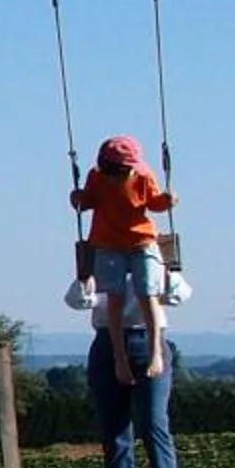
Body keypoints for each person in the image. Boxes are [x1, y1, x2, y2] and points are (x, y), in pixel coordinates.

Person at [72, 135, 176, 385]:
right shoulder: (97, 176)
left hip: (141, 240)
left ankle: (155, 353)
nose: (114, 176)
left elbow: (154, 203)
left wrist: (168, 200)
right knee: (115, 299)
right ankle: (119, 357)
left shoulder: (142, 175)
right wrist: (77, 199)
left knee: (147, 293)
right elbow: (87, 202)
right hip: (108, 243)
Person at [87, 297, 181, 468]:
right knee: (115, 430)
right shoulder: (102, 266)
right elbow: (78, 300)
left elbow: (177, 295)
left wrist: (167, 273)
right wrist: (85, 279)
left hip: (148, 338)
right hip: (107, 341)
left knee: (153, 423)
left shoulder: (151, 262)